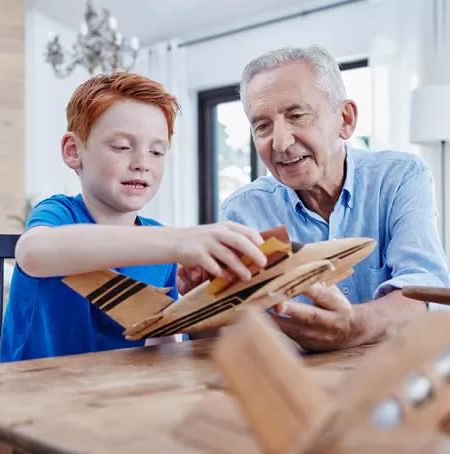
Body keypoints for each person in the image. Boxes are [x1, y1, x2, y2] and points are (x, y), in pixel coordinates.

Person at [178, 45, 450, 352]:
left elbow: (429, 293)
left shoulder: (400, 177)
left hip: (395, 377)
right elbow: (226, 341)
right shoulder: (244, 210)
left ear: (345, 119)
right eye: (262, 126)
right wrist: (200, 311)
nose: (280, 142)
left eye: (297, 115)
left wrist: (355, 325)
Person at [0, 72, 268, 363]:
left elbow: (161, 346)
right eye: (122, 147)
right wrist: (180, 239)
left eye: (156, 151)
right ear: (74, 150)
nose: (142, 163)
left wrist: (200, 306)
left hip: (114, 398)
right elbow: (32, 252)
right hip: (33, 396)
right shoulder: (59, 214)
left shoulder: (163, 247)